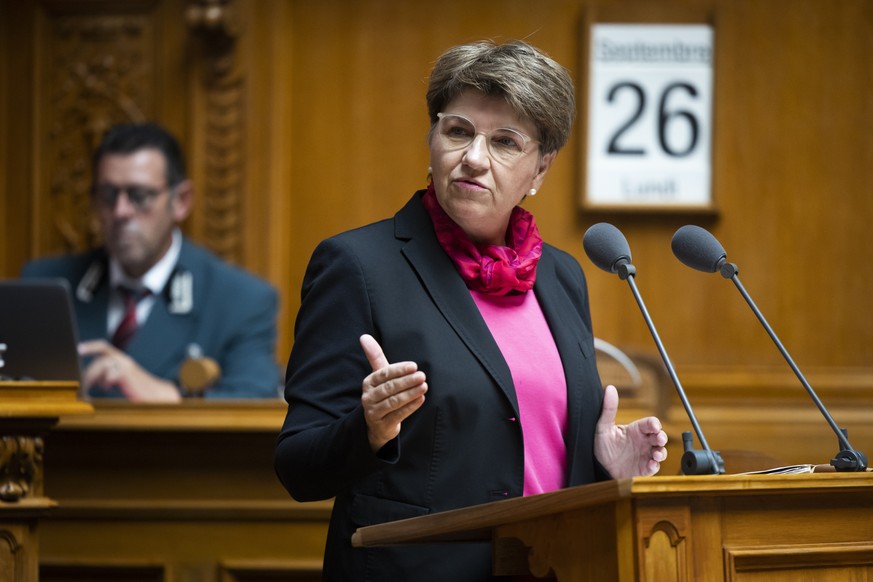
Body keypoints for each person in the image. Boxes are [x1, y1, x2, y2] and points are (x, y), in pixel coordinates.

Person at [274, 40, 668, 581]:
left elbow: (534, 455)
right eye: (458, 131)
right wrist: (368, 430)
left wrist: (607, 470)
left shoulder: (560, 276)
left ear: (540, 169)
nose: (474, 158)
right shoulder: (358, 266)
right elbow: (298, 466)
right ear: (432, 138)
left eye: (505, 142)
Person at [21, 122, 280, 401]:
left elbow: (256, 399)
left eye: (139, 196)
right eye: (108, 195)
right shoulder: (47, 286)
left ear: (180, 201)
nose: (121, 211)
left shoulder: (239, 300)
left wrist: (166, 395)